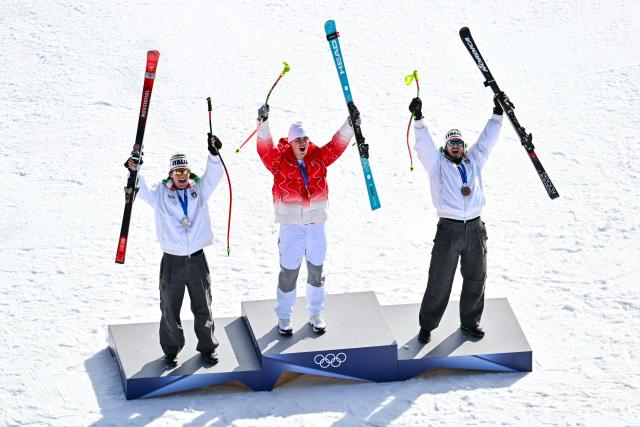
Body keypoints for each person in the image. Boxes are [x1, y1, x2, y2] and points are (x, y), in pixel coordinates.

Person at [409, 93, 505, 344]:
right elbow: (424, 146)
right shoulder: (437, 164)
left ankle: (471, 322)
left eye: (459, 143)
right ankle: (427, 325)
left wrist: (497, 114)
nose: (455, 146)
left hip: (475, 229)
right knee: (440, 279)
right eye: (451, 143)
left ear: (464, 147)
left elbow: (486, 141)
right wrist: (418, 120)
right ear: (446, 147)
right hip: (449, 231)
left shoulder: (473, 161)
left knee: (476, 276)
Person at [255, 103, 359, 336]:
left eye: (305, 139)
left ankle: (315, 312)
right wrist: (262, 123)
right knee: (289, 273)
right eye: (298, 140)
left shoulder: (318, 158)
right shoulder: (279, 162)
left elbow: (337, 145)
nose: (302, 143)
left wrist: (350, 124)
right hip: (291, 227)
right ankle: (284, 316)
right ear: (290, 143)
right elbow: (264, 149)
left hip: (315, 226)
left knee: (316, 271)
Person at [125, 134, 224, 368]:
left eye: (185, 172)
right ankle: (171, 351)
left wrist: (213, 154)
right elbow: (141, 188)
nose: (182, 176)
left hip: (197, 259)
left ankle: (208, 348)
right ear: (171, 174)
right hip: (172, 261)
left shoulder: (199, 190)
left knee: (203, 305)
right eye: (177, 172)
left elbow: (215, 175)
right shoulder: (160, 194)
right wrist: (135, 168)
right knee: (170, 307)